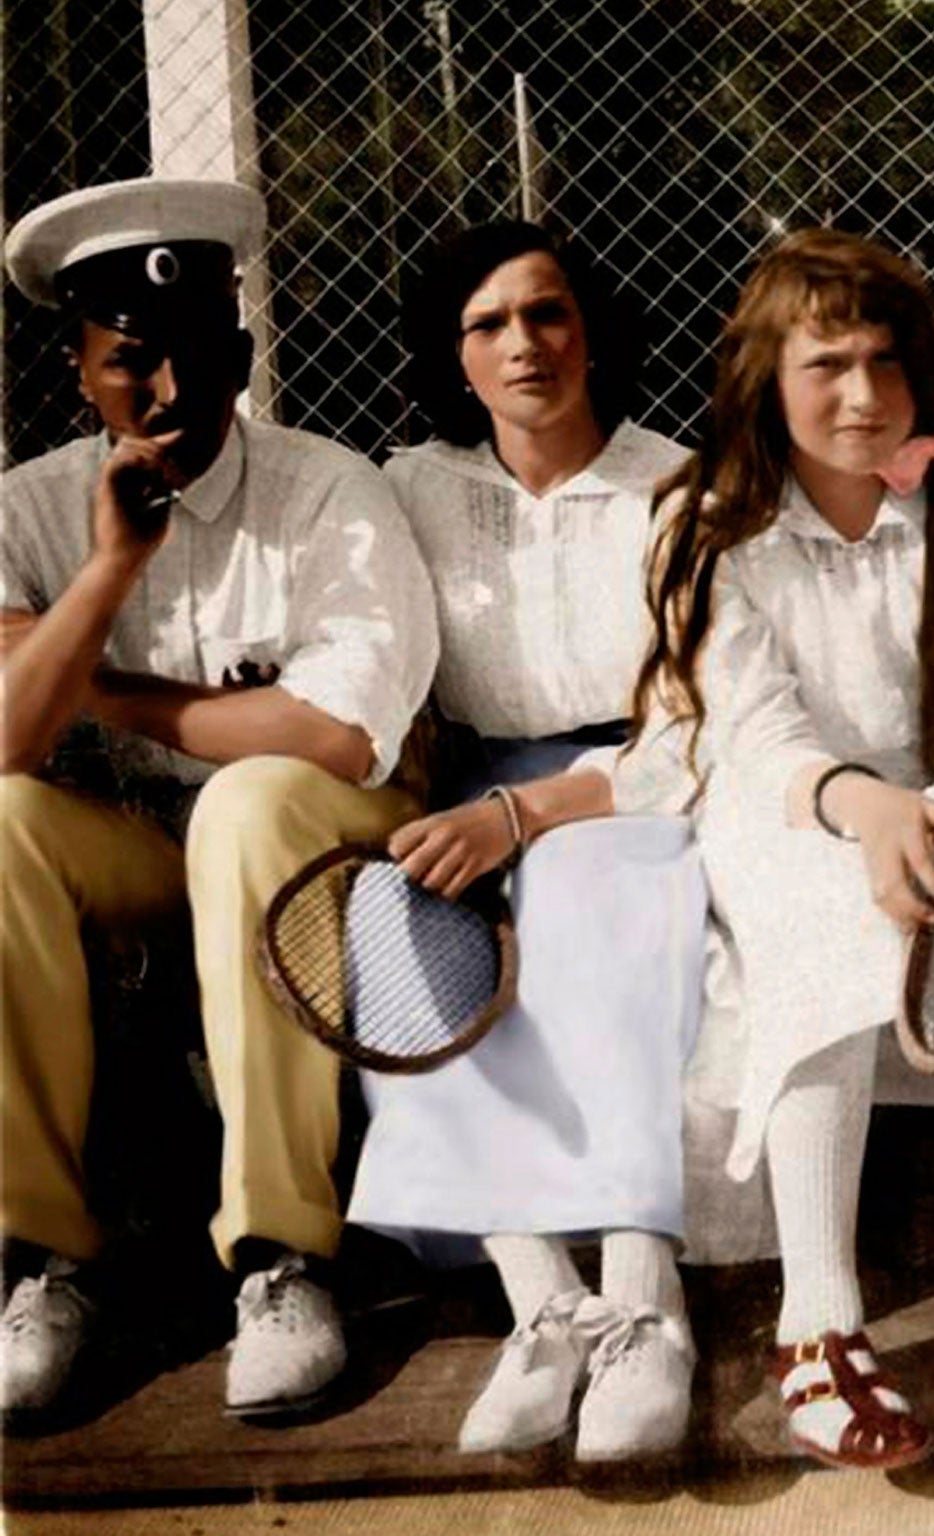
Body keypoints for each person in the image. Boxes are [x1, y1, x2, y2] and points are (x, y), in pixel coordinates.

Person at [637, 229, 934, 1470]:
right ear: (763, 381)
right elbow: (756, 730)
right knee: (830, 935)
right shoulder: (704, 517)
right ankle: (819, 1324)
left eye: (887, 362)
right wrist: (870, 813)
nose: (862, 396)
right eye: (826, 364)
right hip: (788, 805)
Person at [0, 178, 438, 1417]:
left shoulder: (327, 489)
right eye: (131, 364)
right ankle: (40, 1261)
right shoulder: (25, 507)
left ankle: (281, 1258)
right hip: (138, 851)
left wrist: (94, 680)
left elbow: (338, 735)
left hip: (328, 843)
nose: (171, 396)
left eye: (198, 357)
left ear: (242, 354)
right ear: (80, 370)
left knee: (251, 799)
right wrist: (108, 574)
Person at [339, 222, 706, 1461]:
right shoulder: (405, 489)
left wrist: (527, 815)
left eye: (545, 313)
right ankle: (540, 1297)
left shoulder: (680, 485)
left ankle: (646, 1307)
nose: (522, 344)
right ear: (453, 358)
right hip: (475, 789)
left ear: (590, 332)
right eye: (486, 324)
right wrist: (455, 812)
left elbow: (696, 723)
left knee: (592, 889)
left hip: (637, 787)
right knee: (384, 914)